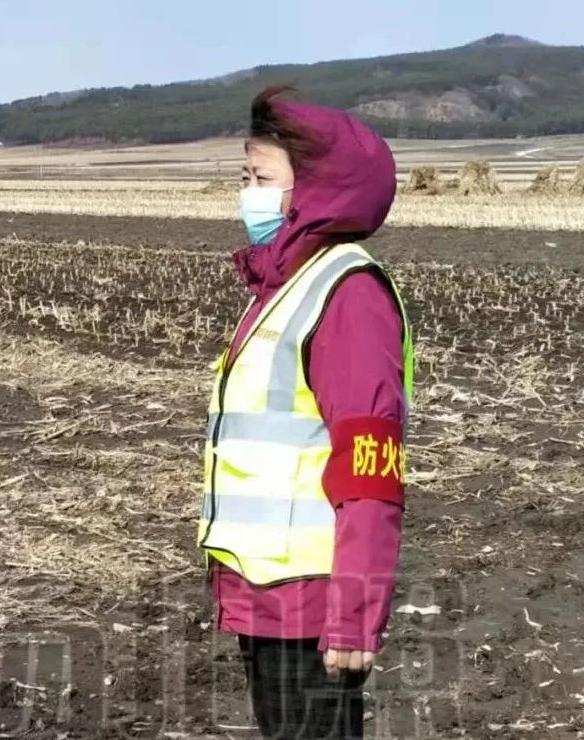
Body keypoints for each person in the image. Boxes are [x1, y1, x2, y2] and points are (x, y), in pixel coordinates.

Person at [197, 86, 413, 739]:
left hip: (312, 605)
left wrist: (354, 615)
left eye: (262, 179)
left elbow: (370, 470)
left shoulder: (347, 296)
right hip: (266, 596)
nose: (248, 194)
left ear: (314, 193)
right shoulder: (282, 287)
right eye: (245, 177)